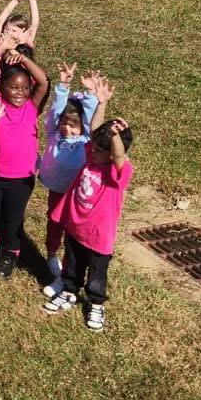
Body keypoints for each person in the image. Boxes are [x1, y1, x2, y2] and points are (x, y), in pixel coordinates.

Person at [47, 118, 134, 333]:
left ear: (111, 153)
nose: (92, 151)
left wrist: (115, 137)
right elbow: (94, 130)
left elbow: (119, 156)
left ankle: (96, 304)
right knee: (72, 266)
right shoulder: (91, 160)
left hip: (99, 236)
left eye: (99, 150)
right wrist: (102, 103)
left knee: (96, 275)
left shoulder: (117, 175)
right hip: (76, 228)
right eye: (93, 147)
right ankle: (69, 291)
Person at [0, 33, 50, 277]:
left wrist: (24, 60)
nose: (20, 92)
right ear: (2, 87)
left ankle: (9, 256)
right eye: (14, 87)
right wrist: (0, 49)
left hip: (22, 178)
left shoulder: (32, 105)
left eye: (24, 88)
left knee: (13, 219)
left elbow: (44, 82)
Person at [39, 68, 108, 294]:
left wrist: (90, 96)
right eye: (65, 123)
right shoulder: (53, 132)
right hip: (56, 189)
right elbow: (55, 111)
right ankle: (51, 253)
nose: (67, 128)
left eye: (73, 124)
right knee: (54, 221)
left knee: (72, 229)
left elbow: (90, 122)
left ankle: (69, 266)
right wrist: (63, 87)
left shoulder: (87, 139)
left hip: (78, 193)